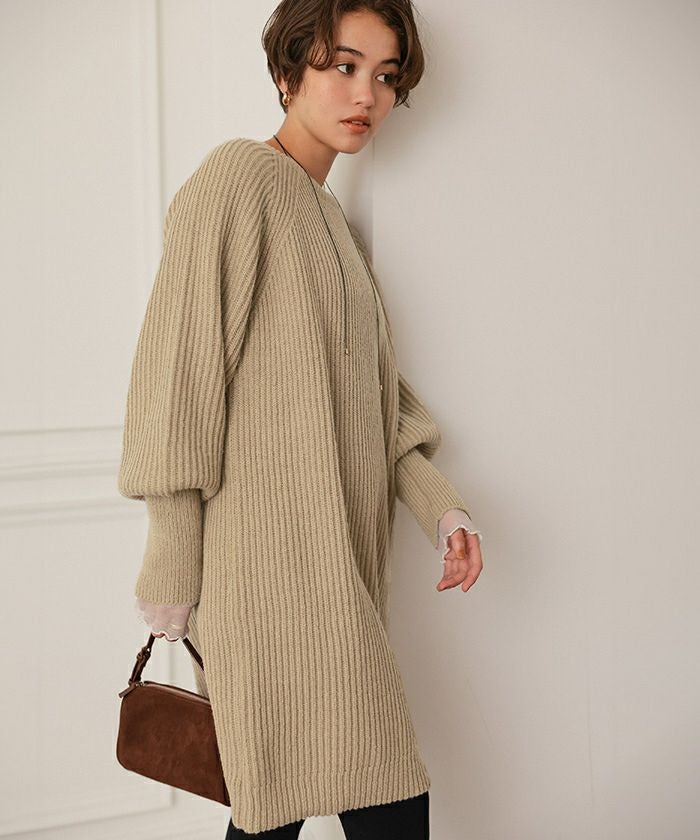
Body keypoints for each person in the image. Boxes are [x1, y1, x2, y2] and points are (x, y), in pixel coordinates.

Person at [118, 1, 484, 836]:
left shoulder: (331, 225)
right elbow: (176, 376)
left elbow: (375, 401)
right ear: (289, 72)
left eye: (385, 76)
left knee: (284, 810)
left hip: (332, 569)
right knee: (360, 799)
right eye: (343, 66)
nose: (367, 95)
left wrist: (442, 509)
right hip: (261, 576)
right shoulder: (236, 179)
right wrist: (170, 561)